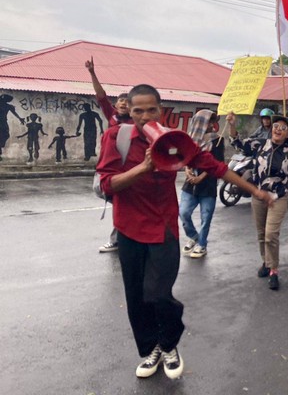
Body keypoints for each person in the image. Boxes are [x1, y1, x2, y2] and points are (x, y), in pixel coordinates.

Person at [96, 85, 272, 380]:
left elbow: (214, 167)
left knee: (159, 294)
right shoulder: (117, 137)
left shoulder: (175, 140)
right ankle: (151, 348)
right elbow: (106, 184)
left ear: (160, 110)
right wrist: (143, 168)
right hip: (128, 228)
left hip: (164, 228)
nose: (143, 116)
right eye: (137, 110)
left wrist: (255, 190)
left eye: (150, 109)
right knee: (137, 298)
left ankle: (169, 343)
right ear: (130, 111)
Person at [228, 112, 288, 290]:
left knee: (270, 235)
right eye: (276, 126)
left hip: (277, 198)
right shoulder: (260, 144)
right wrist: (232, 125)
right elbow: (238, 143)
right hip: (258, 195)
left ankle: (274, 270)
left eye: (283, 128)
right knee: (261, 233)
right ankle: (266, 263)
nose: (278, 130)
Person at [85, 57, 132, 253]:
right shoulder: (111, 115)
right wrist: (92, 73)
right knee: (100, 190)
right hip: (108, 168)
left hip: (127, 169)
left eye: (127, 102)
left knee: (124, 204)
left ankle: (117, 239)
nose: (123, 103)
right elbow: (101, 95)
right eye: (121, 100)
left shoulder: (135, 121)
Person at [179, 110, 224, 259]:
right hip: (190, 183)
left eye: (213, 121)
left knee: (206, 217)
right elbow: (185, 159)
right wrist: (187, 171)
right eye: (208, 121)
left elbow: (219, 163)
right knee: (183, 212)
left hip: (208, 184)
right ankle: (193, 236)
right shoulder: (189, 139)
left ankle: (202, 245)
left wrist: (202, 177)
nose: (211, 125)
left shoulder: (217, 140)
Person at [0, 93, 25, 161]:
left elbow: (14, 113)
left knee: (6, 135)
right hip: (3, 122)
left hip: (3, 122)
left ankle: (1, 146)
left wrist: (20, 118)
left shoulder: (8, 106)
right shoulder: (8, 106)